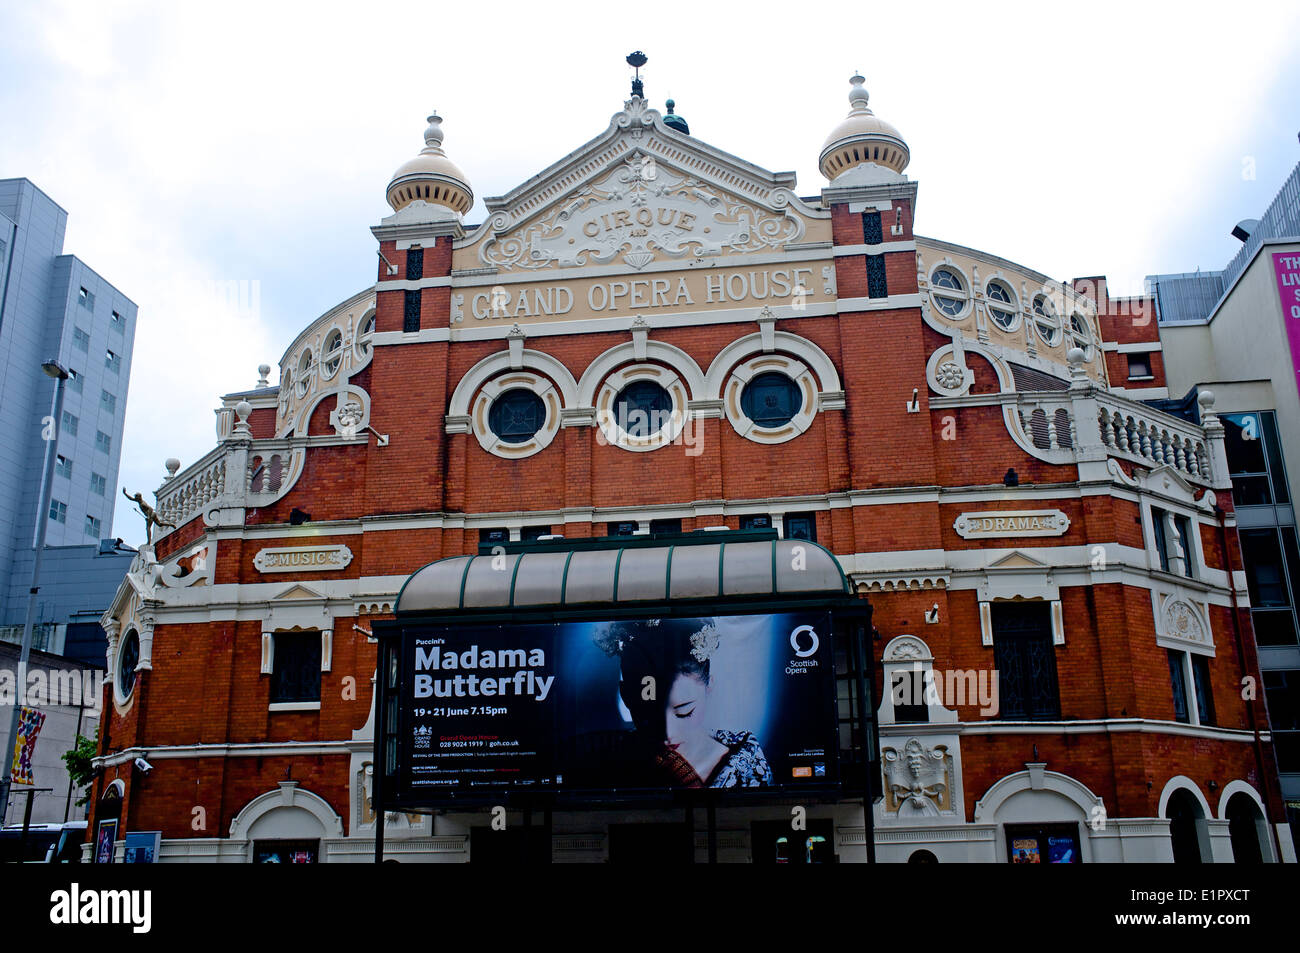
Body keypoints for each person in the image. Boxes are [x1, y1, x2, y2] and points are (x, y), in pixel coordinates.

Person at [594, 618, 771, 788]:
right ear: (625, 696)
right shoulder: (607, 760)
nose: (668, 735)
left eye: (685, 712)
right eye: (649, 714)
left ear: (709, 686)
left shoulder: (746, 761)